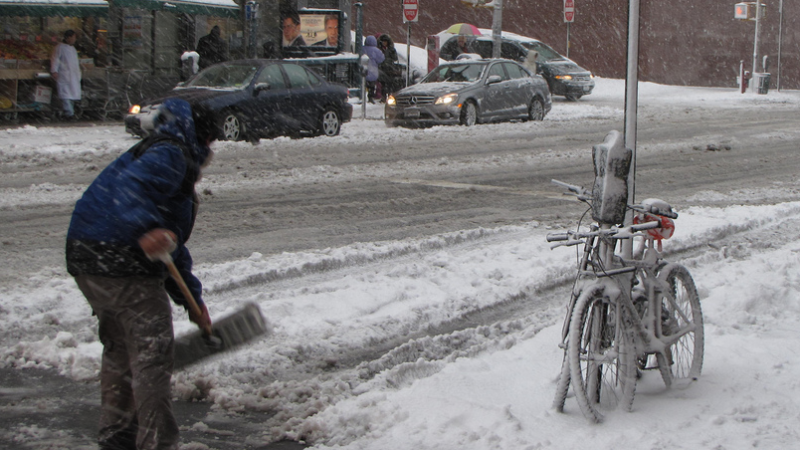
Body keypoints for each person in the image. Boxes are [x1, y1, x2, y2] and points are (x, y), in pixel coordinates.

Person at [66, 98, 216, 450]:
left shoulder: (157, 149)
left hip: (88, 257)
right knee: (151, 354)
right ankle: (157, 442)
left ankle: (117, 433)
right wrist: (147, 228)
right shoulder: (172, 154)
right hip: (121, 260)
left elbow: (170, 249)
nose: (210, 151)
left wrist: (192, 301)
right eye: (211, 141)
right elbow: (131, 191)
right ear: (202, 136)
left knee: (119, 347)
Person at [50, 30, 81, 119]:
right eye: (73, 37)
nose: (74, 39)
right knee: (66, 94)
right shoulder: (59, 48)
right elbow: (55, 59)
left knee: (71, 94)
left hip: (73, 75)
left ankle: (70, 112)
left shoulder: (73, 49)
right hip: (64, 74)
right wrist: (54, 71)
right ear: (68, 38)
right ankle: (69, 113)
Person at [377, 34, 402, 101]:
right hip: (382, 69)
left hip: (389, 70)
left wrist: (389, 60)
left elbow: (395, 58)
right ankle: (383, 97)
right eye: (383, 42)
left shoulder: (391, 49)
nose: (384, 43)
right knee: (383, 84)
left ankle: (389, 96)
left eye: (385, 42)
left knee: (389, 84)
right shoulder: (379, 49)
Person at [362, 35, 384, 103]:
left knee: (363, 84)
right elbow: (381, 59)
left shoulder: (362, 49)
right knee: (372, 85)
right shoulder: (377, 51)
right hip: (373, 71)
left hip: (363, 70)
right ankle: (370, 96)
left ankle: (362, 97)